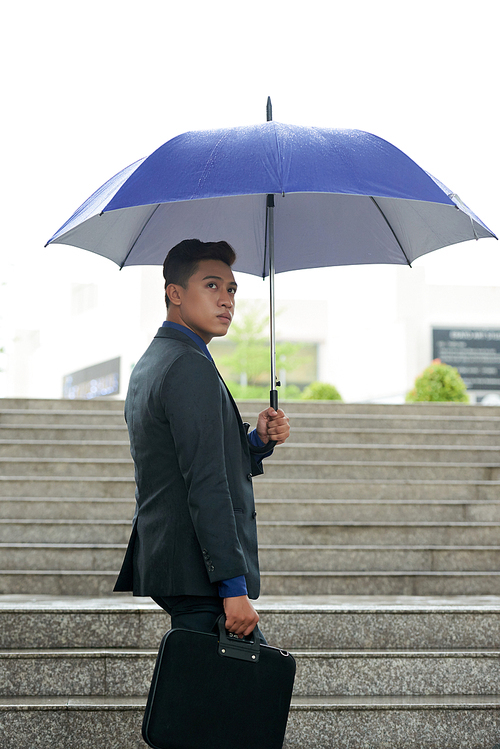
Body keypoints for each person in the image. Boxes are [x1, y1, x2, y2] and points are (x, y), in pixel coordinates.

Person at [114, 239, 290, 641]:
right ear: (175, 294)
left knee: (203, 698)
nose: (226, 300)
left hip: (175, 561)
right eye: (212, 286)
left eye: (231, 289)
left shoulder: (155, 360)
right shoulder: (187, 365)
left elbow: (190, 456)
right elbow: (206, 482)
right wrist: (233, 587)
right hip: (198, 573)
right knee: (250, 692)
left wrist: (256, 440)